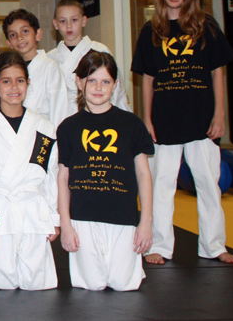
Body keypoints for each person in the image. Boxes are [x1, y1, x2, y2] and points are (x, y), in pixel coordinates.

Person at [131, 0, 233, 265]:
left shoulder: (206, 25)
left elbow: (217, 72)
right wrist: (147, 119)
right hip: (165, 119)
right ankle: (159, 246)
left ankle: (214, 245)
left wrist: (220, 114)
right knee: (161, 185)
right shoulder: (152, 30)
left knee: (208, 184)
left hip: (201, 117)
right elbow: (147, 78)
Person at [58, 51, 154, 291]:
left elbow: (143, 174)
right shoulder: (68, 127)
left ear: (115, 85)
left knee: (123, 284)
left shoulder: (131, 124)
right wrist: (66, 225)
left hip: (123, 217)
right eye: (91, 80)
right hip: (82, 218)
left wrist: (146, 222)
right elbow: (63, 178)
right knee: (93, 284)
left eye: (105, 81)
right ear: (79, 82)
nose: (98, 88)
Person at [0, 51, 60, 291]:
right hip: (0, 210)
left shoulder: (44, 127)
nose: (14, 88)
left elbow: (51, 177)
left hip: (34, 210)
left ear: (28, 83)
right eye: (6, 81)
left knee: (38, 281)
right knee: (1, 281)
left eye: (20, 81)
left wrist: (54, 218)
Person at [48, 0, 130, 116]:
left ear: (84, 21)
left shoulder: (100, 51)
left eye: (74, 20)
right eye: (63, 21)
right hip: (60, 117)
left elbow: (117, 92)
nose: (69, 26)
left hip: (95, 115)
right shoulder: (51, 58)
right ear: (55, 24)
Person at [3, 9, 69, 127]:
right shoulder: (8, 70)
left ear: (38, 34)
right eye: (13, 35)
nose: (19, 37)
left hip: (43, 132)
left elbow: (59, 110)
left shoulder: (50, 67)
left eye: (25, 31)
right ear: (9, 43)